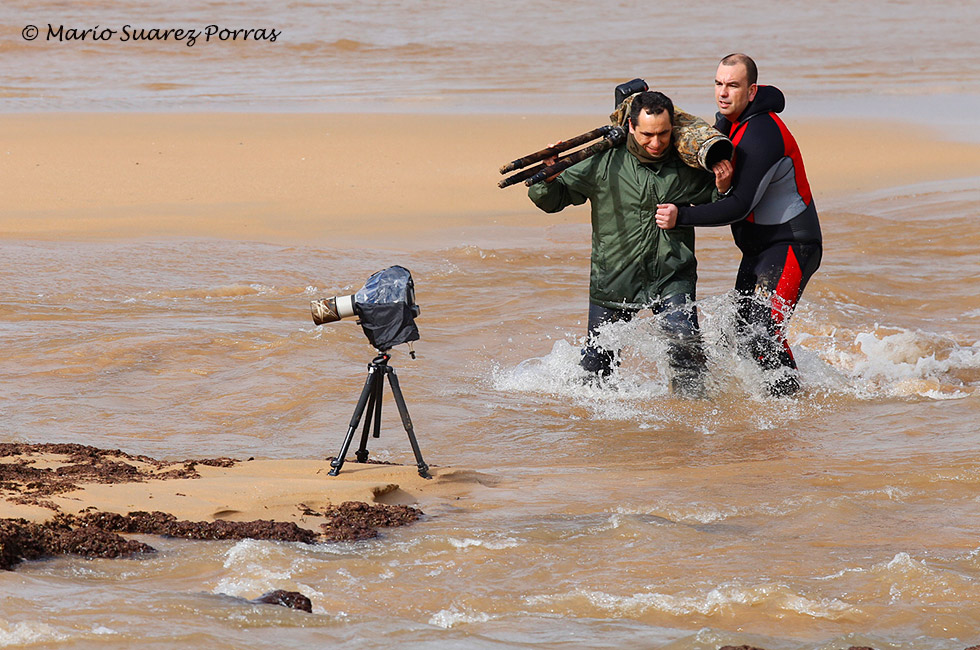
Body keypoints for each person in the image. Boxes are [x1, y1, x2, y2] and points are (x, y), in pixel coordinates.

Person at [528, 91, 731, 397]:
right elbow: (553, 201)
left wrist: (723, 187)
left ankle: (691, 430)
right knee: (596, 372)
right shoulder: (602, 161)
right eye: (648, 134)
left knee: (686, 355)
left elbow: (718, 205)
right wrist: (549, 180)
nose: (656, 142)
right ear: (632, 127)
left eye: (664, 133)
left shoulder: (687, 162)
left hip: (671, 276)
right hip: (613, 279)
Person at [654, 54, 822, 396]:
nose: (723, 92)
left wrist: (681, 215)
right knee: (741, 333)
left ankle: (795, 410)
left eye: (733, 85)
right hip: (759, 250)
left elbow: (739, 205)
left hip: (791, 245)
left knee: (761, 335)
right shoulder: (730, 124)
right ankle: (778, 401)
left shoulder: (762, 133)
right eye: (718, 84)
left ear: (751, 90)